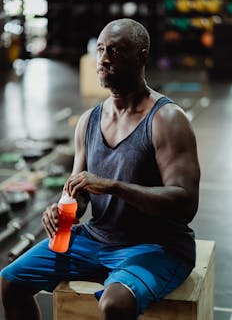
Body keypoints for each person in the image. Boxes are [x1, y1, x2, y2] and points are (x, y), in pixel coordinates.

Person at [0, 18, 200, 320]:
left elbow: (185, 203)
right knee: (11, 281)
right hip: (97, 238)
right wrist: (60, 210)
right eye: (101, 50)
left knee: (114, 305)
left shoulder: (167, 120)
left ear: (142, 56)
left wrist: (113, 186)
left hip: (157, 246)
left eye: (116, 52)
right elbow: (77, 194)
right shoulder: (89, 121)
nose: (104, 59)